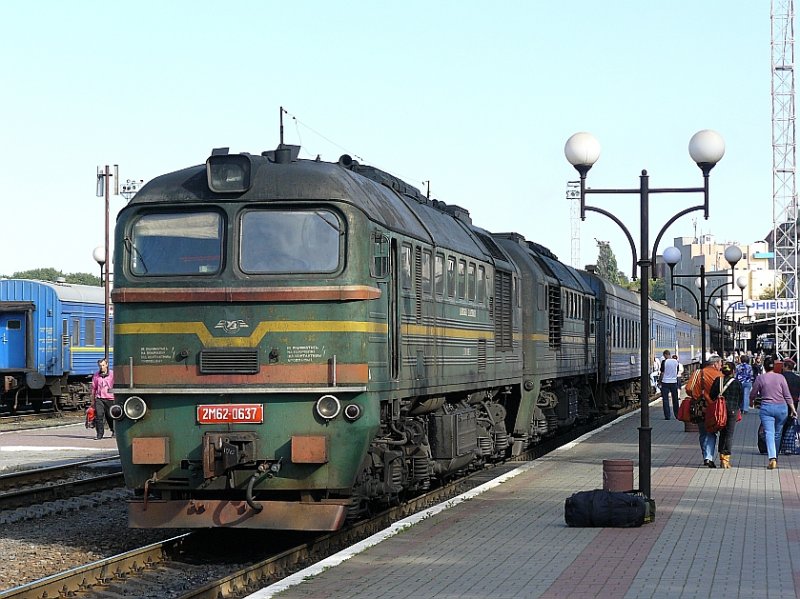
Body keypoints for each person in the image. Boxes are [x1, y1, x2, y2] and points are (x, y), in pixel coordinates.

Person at [749, 355, 796, 469]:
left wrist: (751, 401)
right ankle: (776, 457)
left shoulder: (761, 378)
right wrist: (793, 409)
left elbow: (754, 392)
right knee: (778, 434)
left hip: (767, 408)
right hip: (782, 408)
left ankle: (772, 457)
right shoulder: (781, 378)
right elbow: (787, 395)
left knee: (769, 433)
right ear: (774, 367)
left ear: (764, 367)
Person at [710, 362, 743, 468]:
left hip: (720, 411)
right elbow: (740, 398)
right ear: (733, 371)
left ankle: (721, 458)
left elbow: (712, 395)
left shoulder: (717, 381)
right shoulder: (737, 383)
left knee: (722, 433)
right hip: (732, 410)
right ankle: (726, 459)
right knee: (729, 434)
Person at [694, 355, 724, 468]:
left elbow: (688, 388)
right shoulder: (720, 376)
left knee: (702, 432)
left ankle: (705, 456)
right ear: (715, 364)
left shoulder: (699, 373)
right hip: (715, 408)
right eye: (720, 364)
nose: (721, 366)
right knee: (711, 432)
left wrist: (698, 397)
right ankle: (709, 457)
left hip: (701, 408)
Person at [91, 357, 115, 440]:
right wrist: (93, 400)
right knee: (99, 416)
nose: (102, 367)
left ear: (107, 365)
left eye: (103, 365)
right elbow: (94, 388)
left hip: (110, 398)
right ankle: (99, 434)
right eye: (100, 365)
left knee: (110, 416)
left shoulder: (112, 374)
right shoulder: (96, 375)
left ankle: (113, 430)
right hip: (99, 398)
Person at [659, 350, 680, 419]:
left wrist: (660, 381)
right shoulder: (676, 362)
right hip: (674, 382)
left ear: (665, 354)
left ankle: (667, 416)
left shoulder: (664, 362)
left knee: (665, 400)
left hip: (665, 382)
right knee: (675, 399)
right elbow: (676, 372)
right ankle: (677, 415)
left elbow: (662, 373)